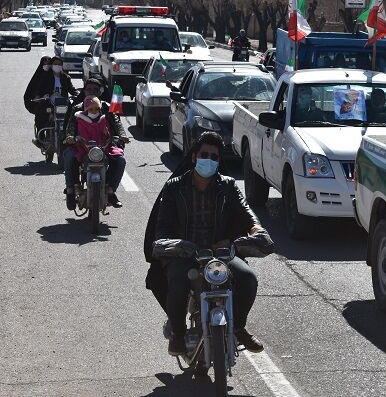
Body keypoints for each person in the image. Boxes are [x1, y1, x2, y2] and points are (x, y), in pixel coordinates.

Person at [152, 131, 270, 355]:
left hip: (219, 254)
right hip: (185, 253)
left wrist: (256, 229)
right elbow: (163, 228)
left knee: (248, 278)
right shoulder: (174, 187)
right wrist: (178, 245)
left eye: (214, 157)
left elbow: (247, 214)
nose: (209, 160)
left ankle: (238, 327)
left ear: (219, 160)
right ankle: (177, 332)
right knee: (178, 280)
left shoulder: (228, 186)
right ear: (194, 156)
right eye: (204, 154)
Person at [62, 78, 128, 210]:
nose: (92, 92)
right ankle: (71, 189)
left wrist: (122, 135)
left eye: (95, 90)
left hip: (104, 145)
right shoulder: (77, 108)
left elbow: (116, 123)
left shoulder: (107, 108)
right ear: (84, 91)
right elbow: (70, 126)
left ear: (100, 92)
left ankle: (110, 190)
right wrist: (70, 137)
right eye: (89, 89)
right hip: (81, 145)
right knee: (69, 156)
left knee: (120, 161)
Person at [31, 56, 77, 147]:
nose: (57, 66)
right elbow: (39, 88)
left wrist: (77, 94)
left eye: (59, 64)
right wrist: (40, 96)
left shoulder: (66, 77)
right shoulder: (45, 77)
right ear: (51, 65)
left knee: (72, 118)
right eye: (55, 64)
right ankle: (40, 139)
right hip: (48, 103)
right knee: (41, 117)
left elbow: (72, 90)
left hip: (62, 104)